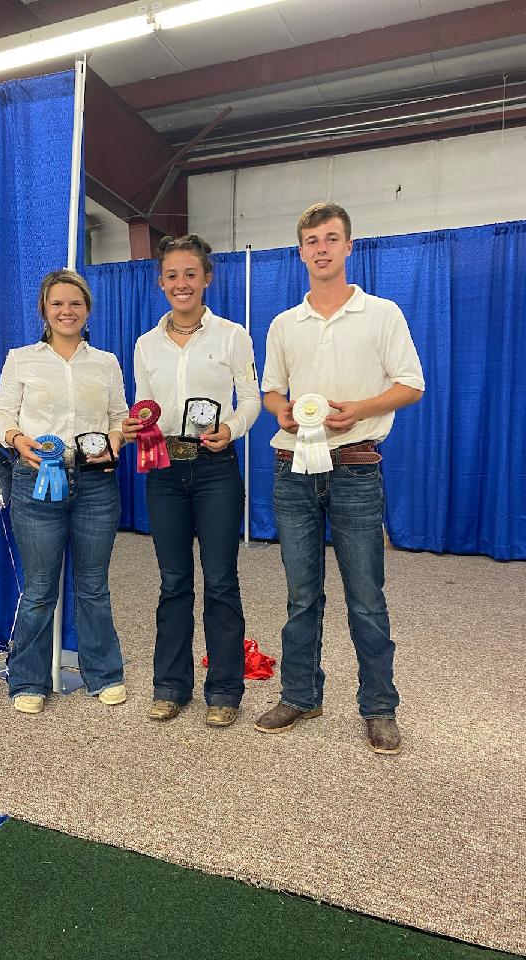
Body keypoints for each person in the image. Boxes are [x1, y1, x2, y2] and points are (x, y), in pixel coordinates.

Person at [255, 202, 425, 755]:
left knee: (366, 596)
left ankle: (379, 707)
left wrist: (359, 408)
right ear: (301, 251)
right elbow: (272, 390)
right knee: (302, 595)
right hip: (292, 471)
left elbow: (411, 384)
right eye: (311, 240)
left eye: (331, 238)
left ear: (349, 246)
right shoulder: (284, 324)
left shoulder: (382, 314)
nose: (321, 248)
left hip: (355, 468)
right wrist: (281, 410)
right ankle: (301, 694)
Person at [122, 234, 261, 728]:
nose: (182, 284)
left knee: (221, 580)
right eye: (172, 276)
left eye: (190, 274)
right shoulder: (145, 345)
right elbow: (142, 402)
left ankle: (225, 689)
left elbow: (251, 399)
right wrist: (135, 424)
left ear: (207, 278)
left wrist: (233, 429)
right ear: (160, 283)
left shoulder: (231, 335)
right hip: (163, 469)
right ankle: (171, 686)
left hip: (215, 468)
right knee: (173, 581)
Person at [0, 269, 128, 714]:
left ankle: (103, 674)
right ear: (44, 311)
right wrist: (16, 439)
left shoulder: (105, 362)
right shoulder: (20, 359)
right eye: (58, 304)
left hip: (96, 484)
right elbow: (2, 414)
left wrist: (114, 442)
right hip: (37, 482)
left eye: (75, 303)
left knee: (93, 587)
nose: (67, 311)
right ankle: (27, 679)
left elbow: (118, 415)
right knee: (39, 589)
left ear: (87, 309)